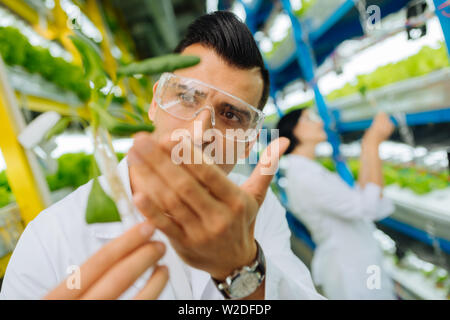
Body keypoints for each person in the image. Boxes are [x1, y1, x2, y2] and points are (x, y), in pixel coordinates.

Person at [0, 11, 323, 300]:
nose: (198, 133)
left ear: (250, 142)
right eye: (186, 97)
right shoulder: (49, 238)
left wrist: (242, 270)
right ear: (155, 102)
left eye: (231, 116)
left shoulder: (256, 211)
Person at [277, 109, 396, 300]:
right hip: (352, 268)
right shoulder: (306, 177)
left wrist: (368, 146)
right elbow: (367, 208)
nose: (319, 122)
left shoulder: (308, 170)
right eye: (310, 119)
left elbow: (359, 197)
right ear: (294, 130)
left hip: (355, 261)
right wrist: (372, 145)